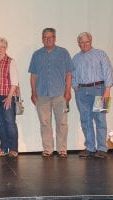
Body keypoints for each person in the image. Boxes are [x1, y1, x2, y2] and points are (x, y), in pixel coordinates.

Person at [28, 28, 73, 158]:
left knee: (62, 123)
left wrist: (68, 91)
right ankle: (48, 149)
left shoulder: (63, 53)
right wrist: (33, 93)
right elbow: (33, 76)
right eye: (45, 37)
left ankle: (62, 149)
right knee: (45, 123)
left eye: (50, 37)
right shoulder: (36, 55)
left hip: (60, 94)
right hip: (42, 95)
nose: (48, 39)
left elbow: (69, 74)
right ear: (42, 39)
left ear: (55, 38)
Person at [72, 32, 113, 159]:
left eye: (87, 42)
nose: (84, 45)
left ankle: (102, 148)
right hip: (81, 92)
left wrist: (107, 89)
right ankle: (90, 147)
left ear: (91, 41)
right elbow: (72, 74)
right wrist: (75, 87)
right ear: (78, 43)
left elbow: (108, 71)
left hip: (99, 89)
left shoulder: (100, 54)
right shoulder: (75, 58)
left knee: (100, 119)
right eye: (81, 42)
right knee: (85, 119)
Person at [0, 37, 20, 158]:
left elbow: (15, 82)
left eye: (2, 46)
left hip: (7, 96)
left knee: (10, 123)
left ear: (6, 48)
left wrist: (9, 97)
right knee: (0, 123)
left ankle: (13, 149)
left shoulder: (11, 62)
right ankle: (3, 148)